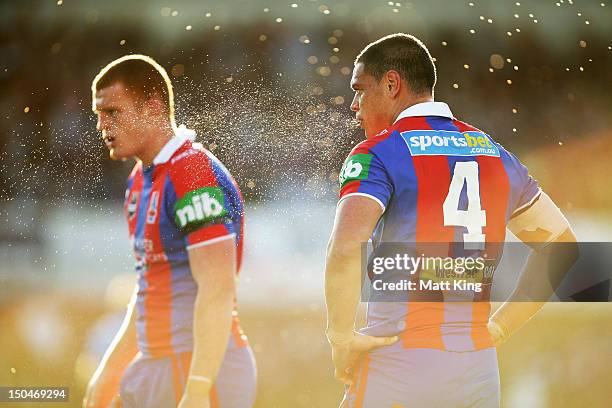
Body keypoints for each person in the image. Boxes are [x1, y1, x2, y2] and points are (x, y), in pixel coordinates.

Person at [324, 33, 578, 407]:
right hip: (477, 369)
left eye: (360, 89)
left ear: (392, 84)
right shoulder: (496, 154)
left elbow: (345, 249)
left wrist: (340, 337)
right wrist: (502, 327)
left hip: (399, 358)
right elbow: (563, 249)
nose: (354, 105)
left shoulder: (380, 151)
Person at [83, 54, 256, 408]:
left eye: (112, 112)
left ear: (152, 108)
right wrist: (108, 372)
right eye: (98, 115)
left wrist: (197, 388)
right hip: (157, 362)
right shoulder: (139, 180)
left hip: (198, 364)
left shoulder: (191, 174)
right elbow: (150, 287)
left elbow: (217, 289)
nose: (102, 125)